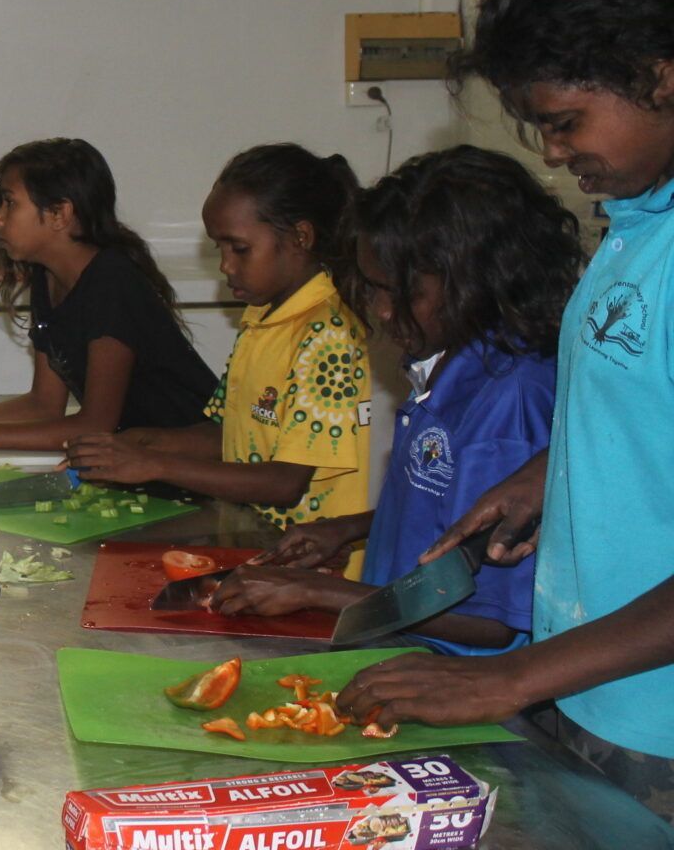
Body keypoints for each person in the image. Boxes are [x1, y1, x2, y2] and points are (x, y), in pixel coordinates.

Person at [337, 0, 674, 824]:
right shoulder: (640, 222)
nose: (557, 153)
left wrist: (513, 675)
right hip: (587, 687)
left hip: (656, 722)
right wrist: (541, 477)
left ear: (659, 74)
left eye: (565, 122)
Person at [210, 146, 583, 653]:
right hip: (390, 651)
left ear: (471, 281)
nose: (382, 313)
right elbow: (447, 521)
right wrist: (351, 528)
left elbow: (494, 623)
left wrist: (321, 591)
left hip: (449, 678)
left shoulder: (510, 406)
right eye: (373, 289)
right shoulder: (449, 371)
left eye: (397, 292)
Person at [65, 143, 372, 573]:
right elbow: (228, 434)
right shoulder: (262, 319)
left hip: (311, 570)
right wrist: (140, 441)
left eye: (239, 249)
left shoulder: (328, 336)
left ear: (301, 237)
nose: (226, 266)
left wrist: (154, 463)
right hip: (255, 548)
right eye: (219, 249)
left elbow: (285, 482)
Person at [0, 138, 216, 456]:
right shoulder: (47, 277)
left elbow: (95, 426)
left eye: (10, 203)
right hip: (134, 456)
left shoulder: (111, 284)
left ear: (60, 214)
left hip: (190, 458)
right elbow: (43, 405)